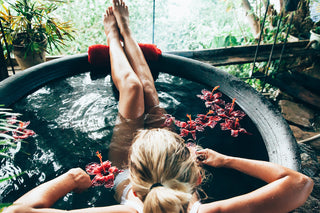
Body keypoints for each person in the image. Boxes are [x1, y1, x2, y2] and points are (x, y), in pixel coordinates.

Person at [4, 0, 314, 212]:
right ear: (195, 178)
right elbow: (300, 183)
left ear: (135, 191)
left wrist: (69, 180)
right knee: (148, 90)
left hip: (130, 171)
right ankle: (127, 32)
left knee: (133, 89)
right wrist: (228, 160)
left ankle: (114, 34)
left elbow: (19, 210)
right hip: (153, 170)